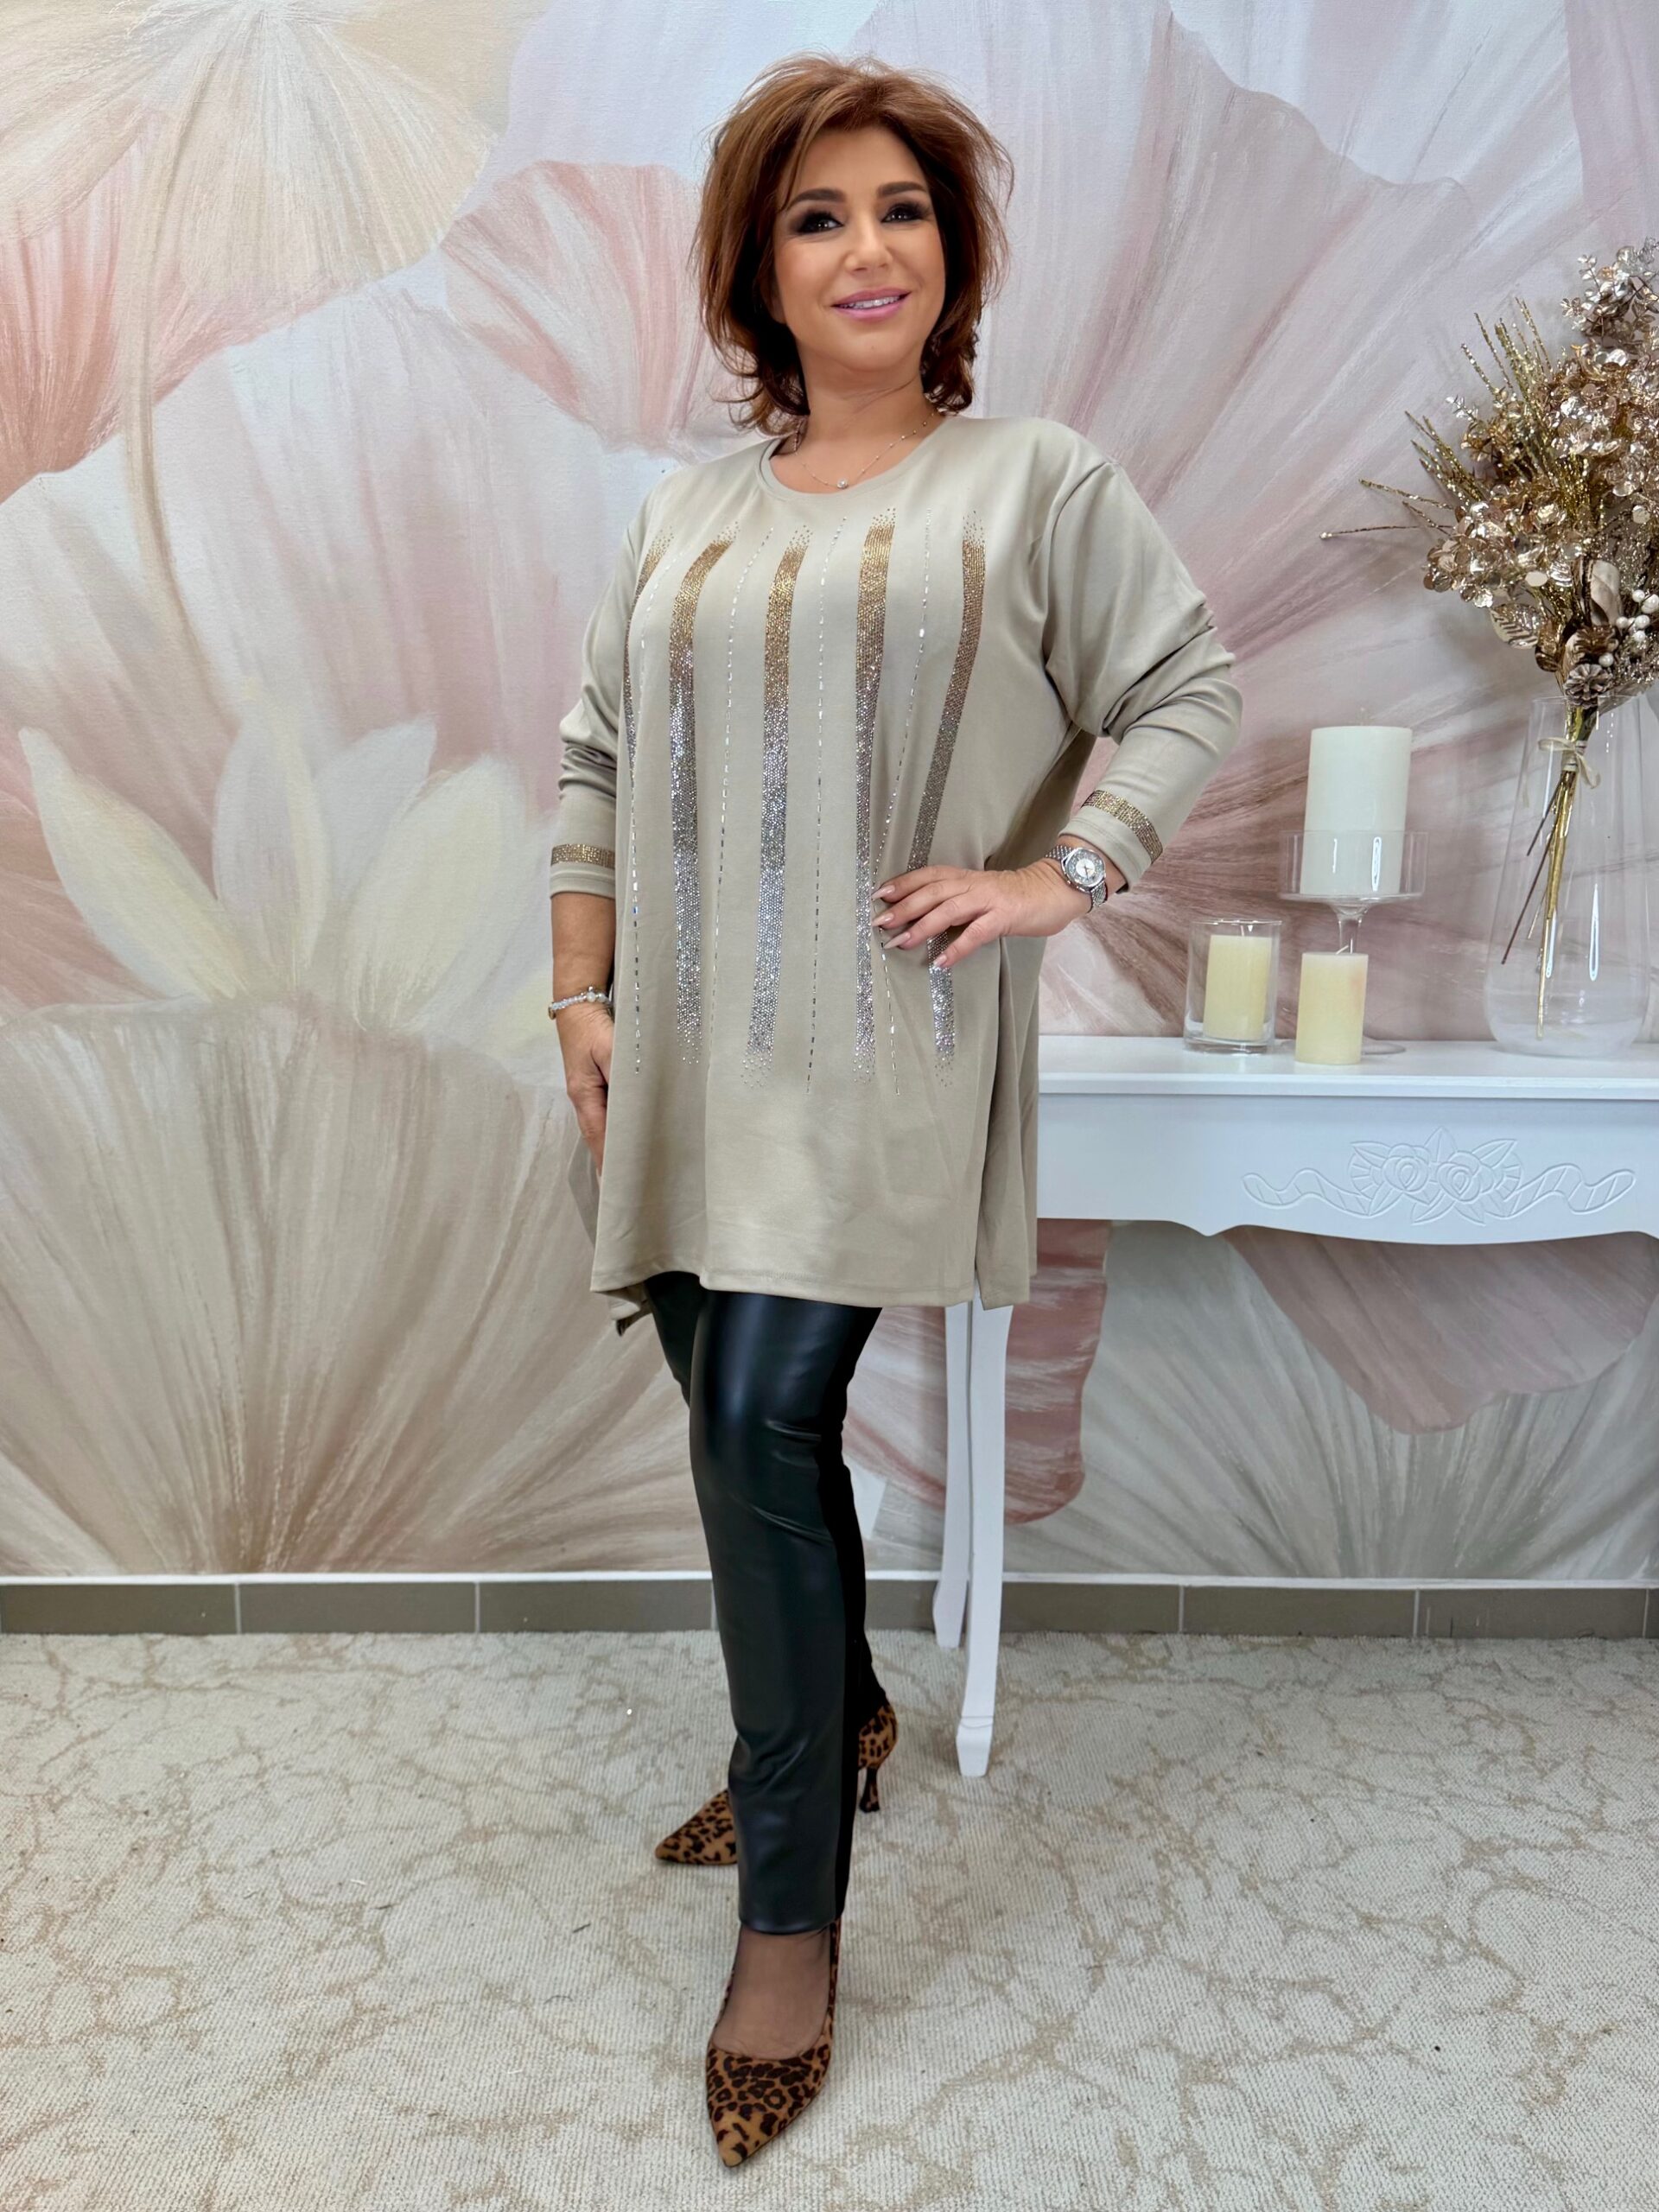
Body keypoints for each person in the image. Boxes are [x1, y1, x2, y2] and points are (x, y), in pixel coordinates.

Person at [547, 51, 1243, 2166]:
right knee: (729, 1407)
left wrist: (1059, 878)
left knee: (760, 1422)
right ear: (759, 271)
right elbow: (594, 751)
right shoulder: (686, 511)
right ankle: (844, 1704)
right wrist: (577, 990)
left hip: (875, 1059)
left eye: (905, 209)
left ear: (956, 253)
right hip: (676, 1060)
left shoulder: (1034, 483)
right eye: (819, 215)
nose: (869, 248)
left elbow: (1185, 686)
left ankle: (791, 1908)